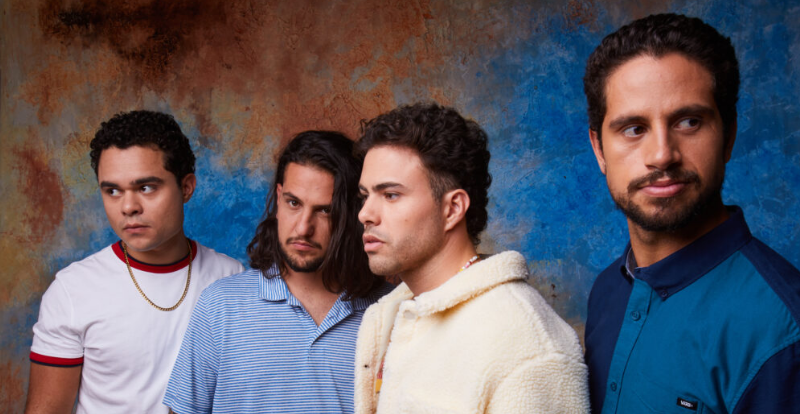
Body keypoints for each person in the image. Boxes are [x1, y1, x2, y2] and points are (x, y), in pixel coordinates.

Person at [583, 13, 800, 413]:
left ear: (728, 136)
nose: (662, 154)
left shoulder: (781, 332)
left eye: (688, 122)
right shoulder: (607, 291)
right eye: (634, 129)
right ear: (599, 149)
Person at [353, 102, 590, 413]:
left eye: (391, 195)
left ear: (452, 209)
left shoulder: (526, 345)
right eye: (365, 195)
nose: (365, 214)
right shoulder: (388, 318)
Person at [25, 110, 244, 413]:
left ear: (186, 187)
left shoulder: (232, 278)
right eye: (113, 191)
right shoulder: (72, 290)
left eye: (146, 188)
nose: (128, 207)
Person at [163, 130, 391, 413]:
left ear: (355, 212)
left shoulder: (392, 311)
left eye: (325, 211)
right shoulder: (220, 306)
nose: (303, 228)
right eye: (294, 203)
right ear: (279, 198)